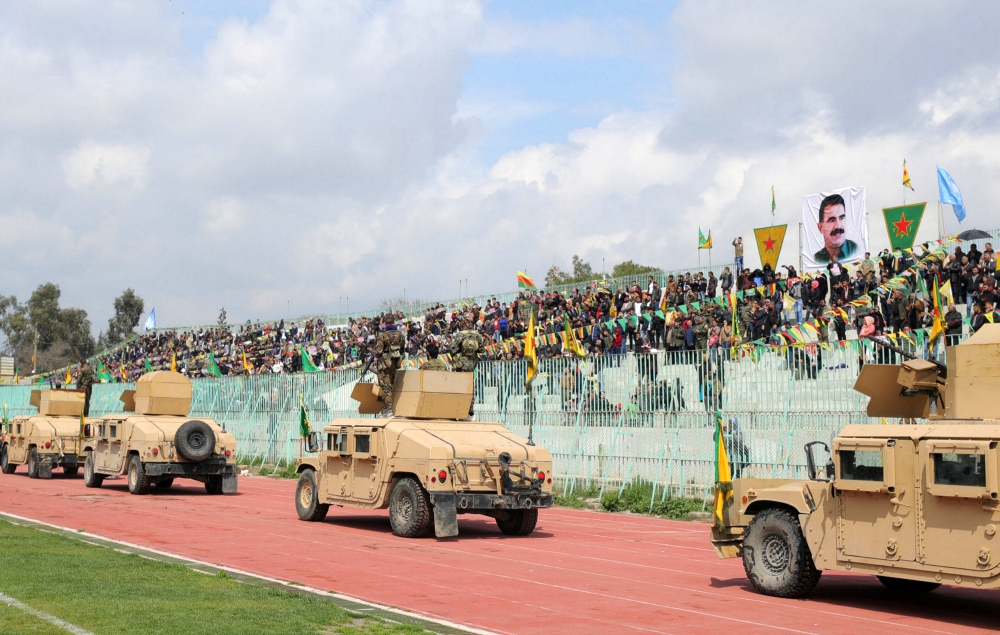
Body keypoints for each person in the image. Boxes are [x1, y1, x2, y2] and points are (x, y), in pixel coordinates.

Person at [450, 313, 485, 417]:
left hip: (461, 365)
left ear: (464, 322)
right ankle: (470, 408)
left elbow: (453, 349)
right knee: (470, 387)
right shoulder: (477, 335)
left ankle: (459, 407)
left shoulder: (461, 334)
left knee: (459, 386)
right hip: (472, 365)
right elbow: (482, 349)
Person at [372, 314, 406, 417]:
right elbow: (402, 350)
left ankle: (388, 410)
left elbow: (378, 352)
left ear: (385, 323)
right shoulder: (401, 335)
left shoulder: (383, 336)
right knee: (391, 385)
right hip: (395, 364)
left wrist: (375, 355)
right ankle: (388, 408)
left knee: (386, 387)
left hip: (384, 365)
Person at [813, 193, 857, 264]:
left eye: (841, 218)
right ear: (820, 227)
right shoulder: (817, 258)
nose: (838, 226)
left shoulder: (855, 250)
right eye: (832, 220)